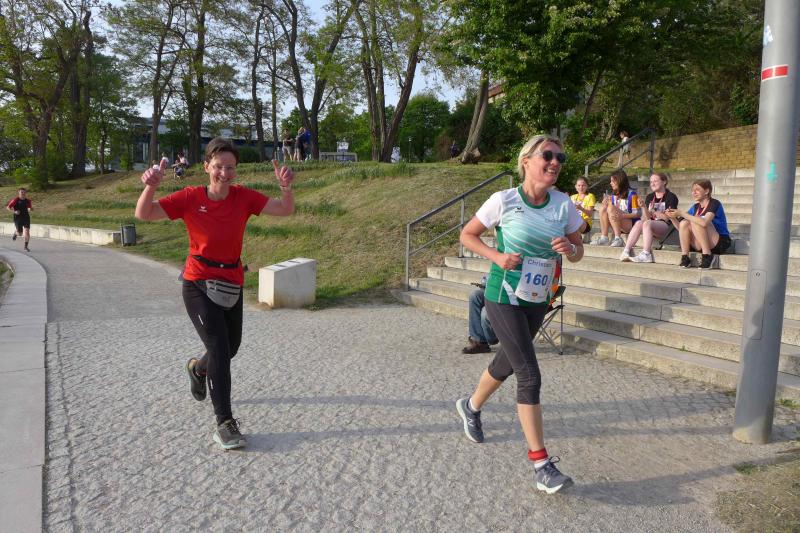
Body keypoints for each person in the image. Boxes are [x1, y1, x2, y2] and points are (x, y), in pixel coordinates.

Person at [134, 137, 295, 450]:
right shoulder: (190, 197)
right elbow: (144, 213)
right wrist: (150, 186)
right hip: (198, 282)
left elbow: (285, 209)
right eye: (218, 166)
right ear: (207, 166)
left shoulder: (243, 197)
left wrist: (286, 187)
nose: (224, 172)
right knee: (220, 349)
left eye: (230, 167)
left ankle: (198, 368)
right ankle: (225, 423)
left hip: (231, 280)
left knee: (230, 347)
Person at [456, 134, 584, 495]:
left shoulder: (563, 204)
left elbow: (578, 252)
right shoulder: (504, 200)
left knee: (508, 363)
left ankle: (470, 406)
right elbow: (467, 235)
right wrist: (497, 257)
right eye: (548, 155)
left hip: (537, 297)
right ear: (526, 161)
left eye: (560, 157)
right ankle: (541, 465)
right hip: (503, 294)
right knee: (529, 374)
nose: (555, 162)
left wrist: (569, 247)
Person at [666, 179, 731, 269]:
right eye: (692, 190)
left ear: (707, 191)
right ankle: (685, 257)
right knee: (684, 223)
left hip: (719, 242)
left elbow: (704, 223)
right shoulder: (695, 207)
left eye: (697, 190)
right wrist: (672, 217)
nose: (694, 193)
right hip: (702, 242)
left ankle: (707, 255)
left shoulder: (714, 203)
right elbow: (681, 228)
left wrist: (682, 213)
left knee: (697, 220)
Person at [619, 172, 679, 262]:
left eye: (655, 181)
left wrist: (660, 214)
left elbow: (669, 217)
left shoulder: (671, 196)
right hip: (651, 224)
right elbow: (647, 218)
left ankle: (646, 254)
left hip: (667, 226)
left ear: (664, 182)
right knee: (639, 222)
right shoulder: (650, 197)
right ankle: (626, 251)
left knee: (647, 223)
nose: (652, 184)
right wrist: (643, 207)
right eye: (651, 182)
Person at [595, 169, 640, 247]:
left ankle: (618, 238)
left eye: (613, 181)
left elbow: (637, 214)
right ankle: (604, 237)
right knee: (603, 208)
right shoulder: (613, 195)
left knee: (610, 208)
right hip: (618, 222)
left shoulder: (632, 194)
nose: (610, 183)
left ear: (620, 181)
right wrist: (606, 204)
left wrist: (622, 216)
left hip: (631, 224)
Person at [463, 278, 498, 354]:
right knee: (475, 295)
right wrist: (485, 283)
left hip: (509, 293)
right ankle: (480, 342)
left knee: (485, 312)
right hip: (494, 289)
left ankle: (492, 338)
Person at [7, 187, 32, 252]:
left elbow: (29, 207)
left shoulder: (28, 200)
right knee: (20, 233)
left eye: (24, 192)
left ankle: (25, 247)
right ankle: (16, 233)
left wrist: (30, 209)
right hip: (18, 218)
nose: (23, 193)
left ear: (26, 193)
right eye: (21, 192)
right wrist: (14, 211)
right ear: (19, 193)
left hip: (26, 217)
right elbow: (8, 207)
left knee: (27, 231)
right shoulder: (15, 200)